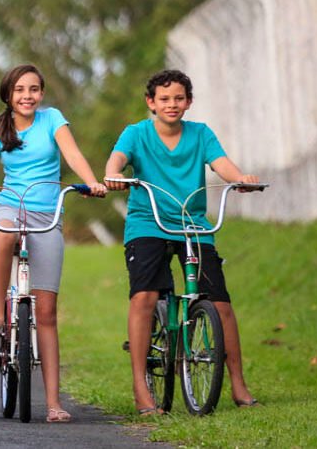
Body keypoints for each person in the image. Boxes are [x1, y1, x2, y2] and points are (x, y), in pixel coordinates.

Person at [0, 63, 105, 424]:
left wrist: (91, 181)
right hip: (8, 209)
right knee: (2, 232)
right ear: (8, 95)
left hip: (47, 215)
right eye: (20, 90)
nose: (27, 96)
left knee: (46, 312)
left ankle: (53, 403)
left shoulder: (52, 120)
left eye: (33, 89)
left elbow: (73, 154)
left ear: (42, 94)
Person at [105, 69, 260, 415]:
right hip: (149, 224)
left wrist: (242, 179)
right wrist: (114, 174)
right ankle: (141, 388)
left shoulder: (201, 134)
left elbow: (223, 165)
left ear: (188, 102)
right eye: (164, 99)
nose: (172, 104)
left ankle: (238, 384)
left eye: (178, 98)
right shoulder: (136, 134)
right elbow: (117, 159)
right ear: (151, 103)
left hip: (193, 224)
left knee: (220, 305)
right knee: (144, 296)